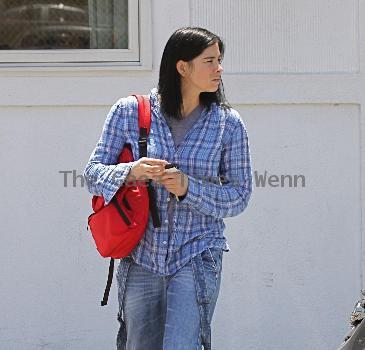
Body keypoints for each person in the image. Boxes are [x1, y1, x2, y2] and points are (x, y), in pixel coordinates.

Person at [83, 26, 252, 350]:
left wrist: (189, 188)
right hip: (141, 255)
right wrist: (131, 171)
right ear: (182, 67)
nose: (220, 69)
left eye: (220, 60)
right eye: (210, 61)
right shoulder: (128, 112)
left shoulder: (228, 124)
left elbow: (240, 196)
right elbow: (92, 173)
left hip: (197, 253)